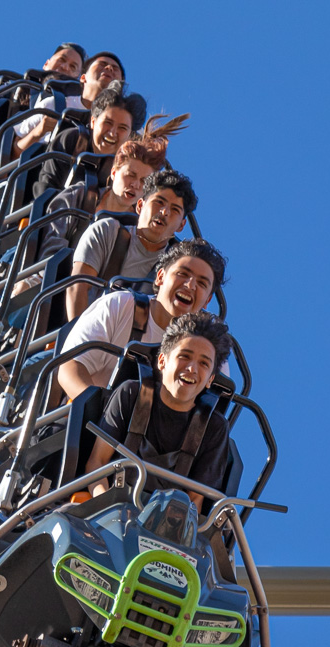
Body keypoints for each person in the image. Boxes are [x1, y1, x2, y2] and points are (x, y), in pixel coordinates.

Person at [10, 116, 187, 297]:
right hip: (49, 277)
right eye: (130, 175)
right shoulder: (80, 195)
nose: (135, 185)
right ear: (114, 172)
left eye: (143, 181)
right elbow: (52, 241)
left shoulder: (138, 229)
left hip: (95, 298)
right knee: (24, 290)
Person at [85, 311, 233, 511]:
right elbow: (97, 463)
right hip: (109, 510)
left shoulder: (213, 428)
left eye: (203, 363)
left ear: (210, 380)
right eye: (184, 356)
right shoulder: (131, 394)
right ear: (162, 361)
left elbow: (195, 501)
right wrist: (106, 507)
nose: (191, 368)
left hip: (165, 529)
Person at [57, 238, 227, 400]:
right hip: (82, 424)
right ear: (160, 277)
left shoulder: (211, 350)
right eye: (183, 273)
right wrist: (101, 420)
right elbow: (69, 368)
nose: (190, 285)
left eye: (202, 283)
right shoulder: (121, 306)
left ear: (207, 300)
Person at [65, 168, 197, 321]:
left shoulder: (177, 268)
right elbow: (78, 287)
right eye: (159, 202)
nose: (164, 212)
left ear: (181, 225)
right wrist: (81, 341)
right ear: (140, 206)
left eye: (175, 210)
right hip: (87, 326)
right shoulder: (107, 231)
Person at [31, 81, 147, 197]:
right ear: (93, 121)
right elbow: (45, 187)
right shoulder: (72, 139)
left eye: (122, 128)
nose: (112, 133)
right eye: (108, 122)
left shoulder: (128, 166)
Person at [14, 51, 128, 159]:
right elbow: (11, 154)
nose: (109, 68)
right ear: (83, 78)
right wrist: (39, 131)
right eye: (102, 64)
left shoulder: (129, 124)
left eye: (115, 69)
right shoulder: (55, 104)